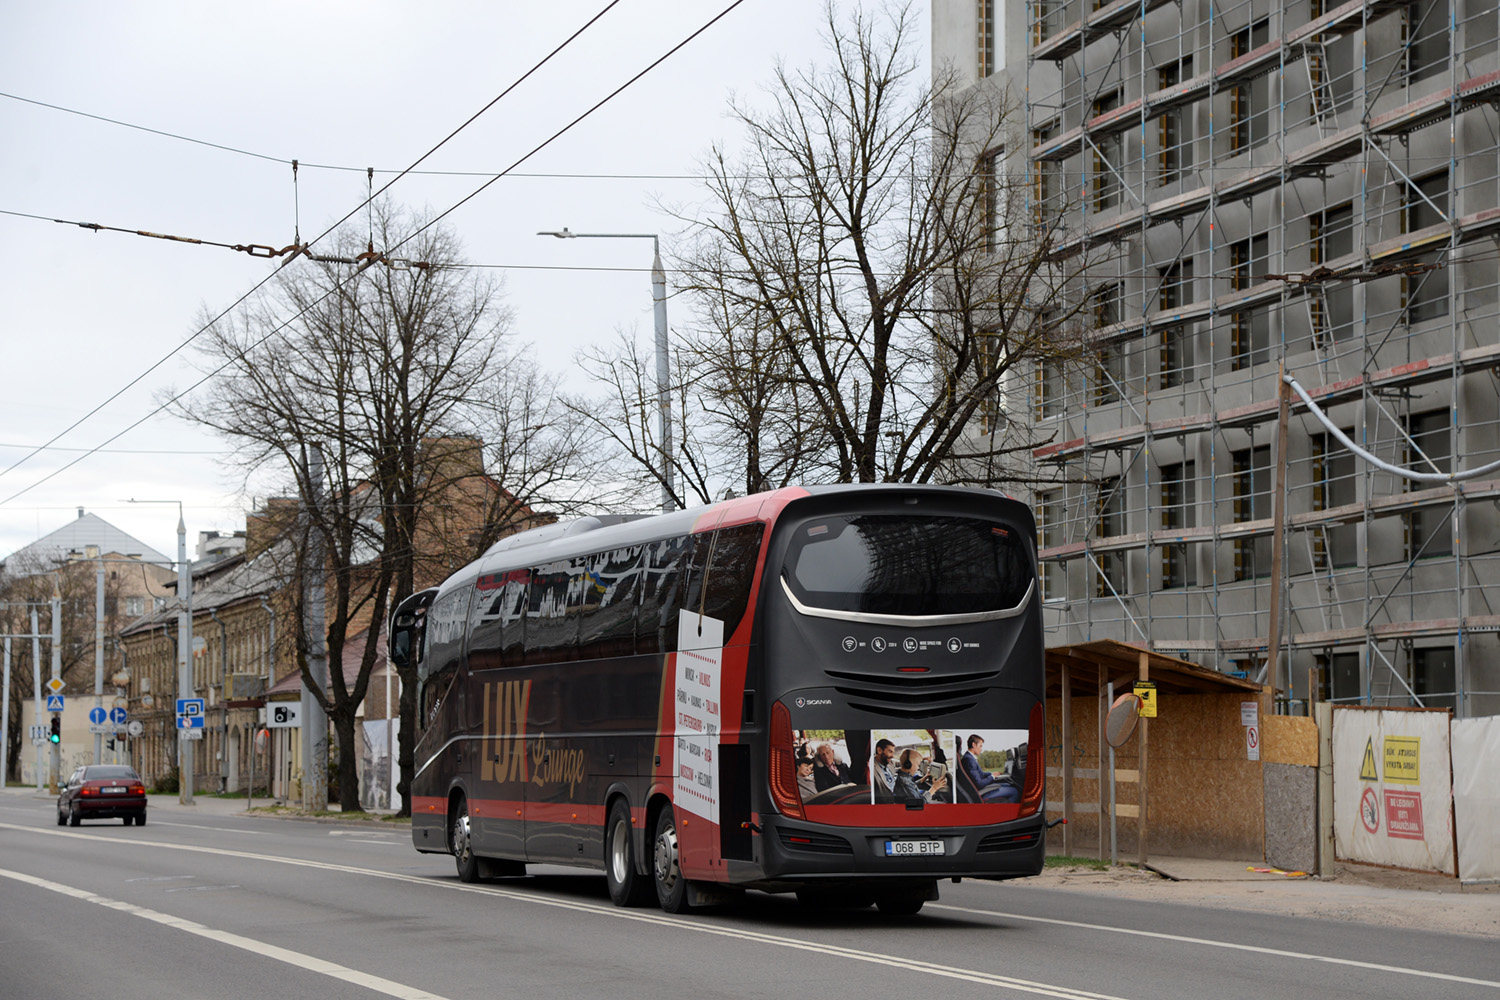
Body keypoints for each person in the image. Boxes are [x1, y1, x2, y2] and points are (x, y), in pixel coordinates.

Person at [962, 734, 1019, 803]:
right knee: (1014, 791)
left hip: (978, 790)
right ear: (974, 745)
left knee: (1007, 784)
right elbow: (979, 784)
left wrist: (992, 773)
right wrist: (992, 777)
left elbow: (981, 774)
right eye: (980, 746)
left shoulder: (969, 758)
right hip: (980, 793)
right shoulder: (969, 760)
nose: (981, 749)